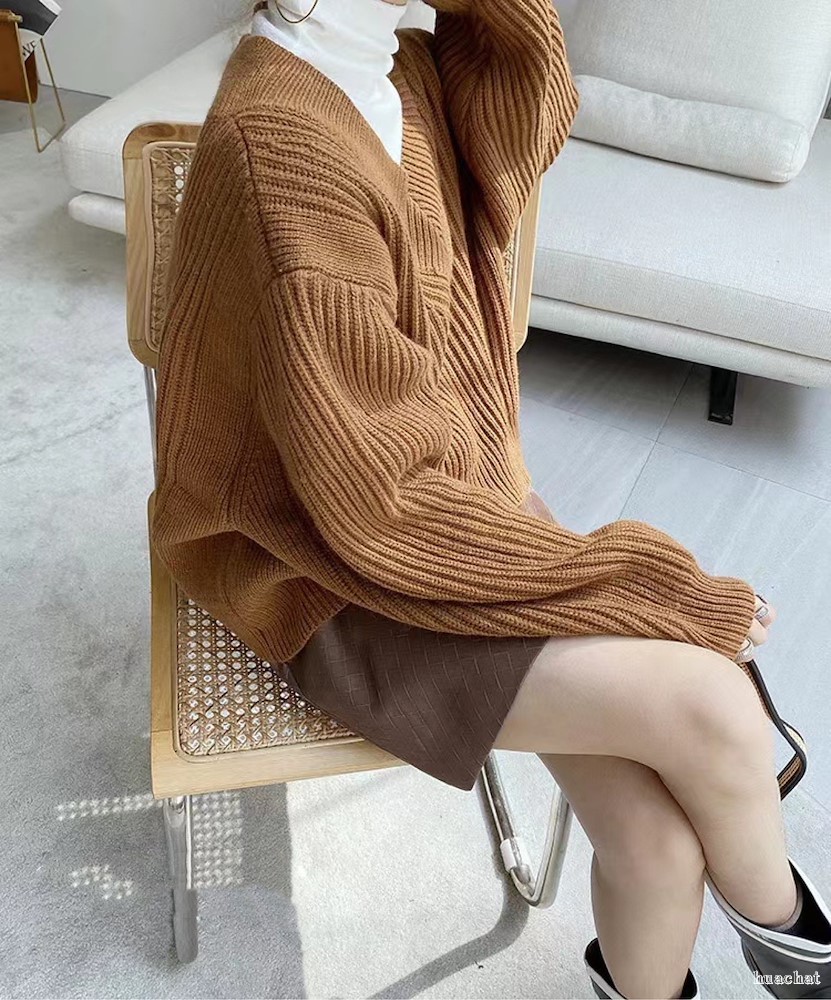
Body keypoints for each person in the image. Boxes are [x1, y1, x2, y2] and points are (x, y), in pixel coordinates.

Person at [151, 1, 831, 996]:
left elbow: (536, 104)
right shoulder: (281, 147)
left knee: (656, 844)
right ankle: (809, 970)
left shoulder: (398, 64)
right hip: (331, 574)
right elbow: (375, 506)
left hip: (451, 518)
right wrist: (642, 582)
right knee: (719, 707)